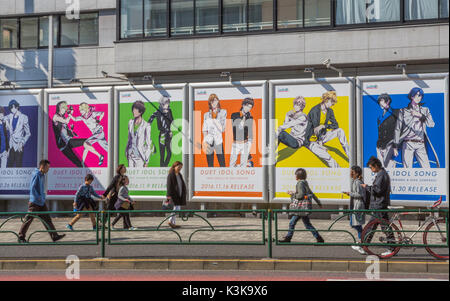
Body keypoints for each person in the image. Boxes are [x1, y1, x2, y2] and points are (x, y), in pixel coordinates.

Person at [18, 160, 66, 243]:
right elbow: (33, 189)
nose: (48, 169)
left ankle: (54, 236)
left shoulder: (42, 174)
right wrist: (39, 198)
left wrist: (42, 198)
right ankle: (21, 237)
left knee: (47, 219)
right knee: (29, 219)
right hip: (35, 202)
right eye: (47, 167)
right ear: (42, 167)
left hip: (41, 202)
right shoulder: (37, 174)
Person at [393, 87, 436, 168]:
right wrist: (395, 146)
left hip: (421, 143)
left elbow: (431, 124)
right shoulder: (403, 111)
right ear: (412, 96)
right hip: (408, 143)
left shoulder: (425, 110)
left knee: (427, 168)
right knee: (407, 169)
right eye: (417, 95)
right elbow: (397, 129)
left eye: (420, 96)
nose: (419, 98)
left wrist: (421, 116)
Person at [279, 168, 325, 243]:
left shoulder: (300, 183)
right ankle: (319, 238)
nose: (295, 176)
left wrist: (292, 194)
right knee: (307, 224)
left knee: (292, 222)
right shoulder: (305, 182)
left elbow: (300, 195)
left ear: (298, 175)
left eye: (295, 175)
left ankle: (288, 238)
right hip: (304, 208)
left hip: (300, 208)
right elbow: (311, 193)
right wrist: (318, 202)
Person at [361, 156, 395, 257]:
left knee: (375, 226)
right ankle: (365, 245)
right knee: (375, 226)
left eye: (371, 168)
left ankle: (365, 245)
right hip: (380, 204)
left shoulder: (381, 175)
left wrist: (366, 187)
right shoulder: (382, 174)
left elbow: (377, 190)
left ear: (376, 166)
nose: (371, 170)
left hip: (379, 205)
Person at [306, 91, 350, 167]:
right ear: (326, 99)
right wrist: (320, 145)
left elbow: (336, 125)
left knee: (340, 131)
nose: (333, 104)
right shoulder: (315, 110)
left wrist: (324, 126)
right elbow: (316, 130)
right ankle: (339, 172)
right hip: (312, 140)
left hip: (322, 136)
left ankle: (350, 156)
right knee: (329, 158)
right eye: (332, 102)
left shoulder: (329, 111)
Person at [52, 101, 87, 167]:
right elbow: (66, 121)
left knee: (87, 141)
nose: (65, 109)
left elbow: (66, 130)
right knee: (77, 162)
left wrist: (72, 132)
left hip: (69, 140)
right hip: (63, 145)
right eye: (64, 107)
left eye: (66, 107)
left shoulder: (63, 117)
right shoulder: (55, 116)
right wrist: (70, 114)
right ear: (59, 108)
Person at [343, 166, 366, 255]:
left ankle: (361, 244)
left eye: (352, 172)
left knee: (356, 224)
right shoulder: (356, 181)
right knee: (355, 224)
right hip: (356, 205)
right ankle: (361, 241)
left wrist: (349, 193)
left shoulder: (357, 182)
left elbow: (360, 194)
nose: (350, 173)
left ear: (356, 173)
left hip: (358, 205)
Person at [125, 101, 154, 167]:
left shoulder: (146, 125)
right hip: (130, 154)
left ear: (141, 112)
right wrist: (127, 151)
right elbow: (129, 138)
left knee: (138, 176)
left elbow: (148, 143)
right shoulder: (130, 122)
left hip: (139, 156)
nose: (133, 112)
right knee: (130, 176)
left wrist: (146, 160)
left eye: (135, 110)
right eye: (133, 110)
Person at [148, 96, 174, 167]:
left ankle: (164, 166)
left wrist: (167, 114)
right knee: (162, 155)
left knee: (169, 153)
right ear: (162, 104)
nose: (168, 104)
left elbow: (172, 121)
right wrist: (148, 125)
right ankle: (162, 168)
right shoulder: (157, 112)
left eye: (168, 103)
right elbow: (151, 118)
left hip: (168, 134)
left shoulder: (169, 111)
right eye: (166, 103)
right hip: (162, 135)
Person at [375, 94, 399, 168]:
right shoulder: (380, 117)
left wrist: (395, 147)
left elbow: (398, 130)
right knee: (381, 169)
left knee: (390, 169)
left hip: (390, 145)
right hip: (380, 146)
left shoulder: (395, 112)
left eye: (381, 100)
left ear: (388, 101)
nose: (380, 102)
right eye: (379, 101)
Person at [202, 94, 227, 167]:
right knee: (210, 164)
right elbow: (204, 129)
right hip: (209, 141)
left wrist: (215, 118)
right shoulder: (206, 115)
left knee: (222, 164)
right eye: (212, 101)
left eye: (215, 100)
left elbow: (222, 129)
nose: (214, 102)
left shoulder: (223, 112)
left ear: (218, 101)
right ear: (209, 103)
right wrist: (206, 140)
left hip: (218, 140)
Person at [229, 98, 254, 167]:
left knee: (243, 166)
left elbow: (250, 132)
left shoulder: (250, 118)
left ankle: (246, 164)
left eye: (250, 107)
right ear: (243, 105)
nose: (248, 109)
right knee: (231, 165)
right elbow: (237, 128)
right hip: (235, 143)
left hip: (245, 143)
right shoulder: (234, 115)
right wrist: (244, 118)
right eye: (247, 106)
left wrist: (249, 146)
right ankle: (245, 165)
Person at [6, 99, 31, 168]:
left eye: (12, 108)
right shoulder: (10, 116)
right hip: (11, 145)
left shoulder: (24, 117)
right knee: (9, 166)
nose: (11, 110)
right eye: (10, 108)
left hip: (19, 145)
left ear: (16, 107)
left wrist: (22, 142)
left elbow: (28, 133)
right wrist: (7, 124)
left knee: (18, 165)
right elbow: (3, 118)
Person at [166, 161, 187, 229]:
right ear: (175, 166)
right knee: (176, 208)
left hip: (179, 194)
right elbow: (169, 186)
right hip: (173, 195)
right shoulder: (171, 175)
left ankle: (173, 223)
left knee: (177, 208)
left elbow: (181, 184)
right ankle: (170, 221)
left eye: (181, 167)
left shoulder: (179, 175)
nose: (180, 168)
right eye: (179, 167)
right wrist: (168, 196)